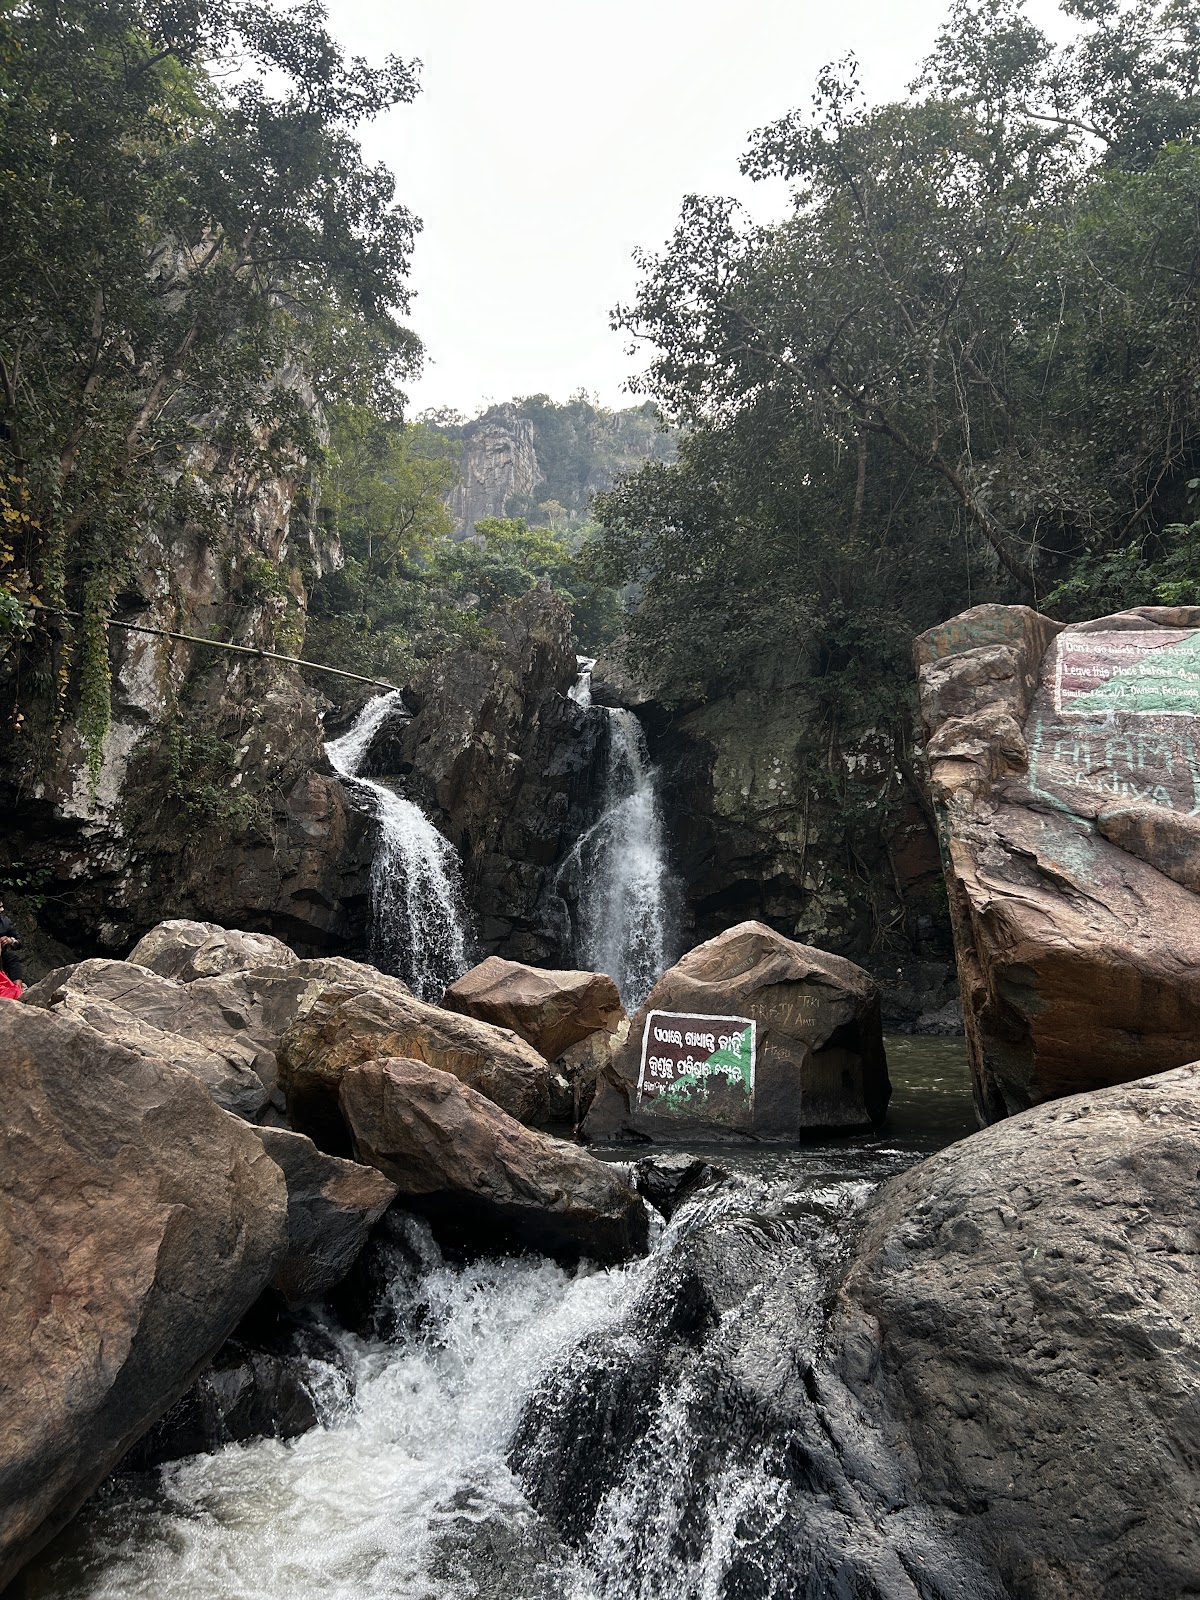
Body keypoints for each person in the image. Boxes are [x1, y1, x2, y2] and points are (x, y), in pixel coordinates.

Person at [0, 898, 24, 987]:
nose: (2, 910)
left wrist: (11, 941)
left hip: (2, 956)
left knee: (11, 956)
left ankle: (18, 989)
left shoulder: (5, 922)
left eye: (2, 906)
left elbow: (19, 941)